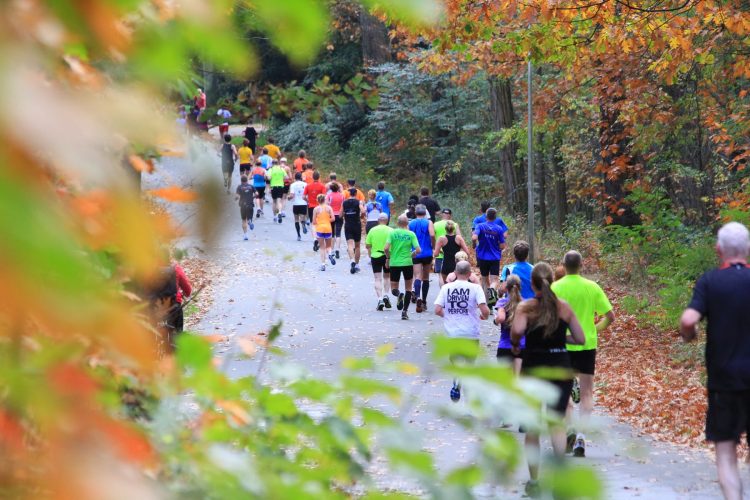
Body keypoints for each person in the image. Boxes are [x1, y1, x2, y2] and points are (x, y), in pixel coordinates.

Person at [680, 222, 750, 500]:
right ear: (747, 249)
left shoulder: (710, 281)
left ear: (718, 250)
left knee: (725, 451)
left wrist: (690, 335)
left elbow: (688, 320)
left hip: (724, 381)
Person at [511, 262, 585, 497]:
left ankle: (534, 481)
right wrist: (561, 340)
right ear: (552, 280)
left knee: (532, 426)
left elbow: (516, 333)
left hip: (534, 368)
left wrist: (516, 345)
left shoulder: (526, 307)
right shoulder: (564, 307)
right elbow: (580, 338)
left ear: (532, 284)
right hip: (561, 368)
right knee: (556, 422)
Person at [551, 250, 615, 458]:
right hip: (587, 345)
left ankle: (569, 430)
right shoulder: (592, 287)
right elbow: (610, 316)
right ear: (581, 265)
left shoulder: (555, 287)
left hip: (563, 346)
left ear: (563, 264)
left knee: (565, 393)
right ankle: (581, 436)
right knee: (587, 393)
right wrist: (593, 330)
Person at [435, 260, 490, 402]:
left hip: (452, 334)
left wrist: (448, 316)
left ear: (455, 272)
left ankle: (457, 380)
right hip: (471, 333)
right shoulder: (476, 288)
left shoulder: (446, 288)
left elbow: (437, 309)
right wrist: (484, 315)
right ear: (470, 274)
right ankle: (469, 399)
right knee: (470, 365)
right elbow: (485, 311)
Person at [384, 215, 421, 320]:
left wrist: (388, 258)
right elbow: (418, 250)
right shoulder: (411, 234)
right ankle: (404, 312)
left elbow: (386, 248)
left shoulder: (392, 233)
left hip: (394, 263)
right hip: (407, 263)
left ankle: (399, 294)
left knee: (394, 288)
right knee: (409, 288)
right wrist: (412, 254)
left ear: (397, 223)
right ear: (407, 224)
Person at [472, 207, 506, 307]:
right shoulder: (499, 229)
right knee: (494, 280)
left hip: (482, 256)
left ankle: (488, 305)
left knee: (484, 279)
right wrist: (499, 247)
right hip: (494, 257)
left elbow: (474, 237)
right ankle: (492, 292)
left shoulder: (480, 226)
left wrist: (474, 244)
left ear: (486, 216)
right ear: (495, 217)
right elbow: (502, 245)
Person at [494, 274, 524, 374]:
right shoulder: (526, 304)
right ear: (520, 287)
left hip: (505, 347)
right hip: (522, 347)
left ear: (506, 288)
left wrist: (495, 321)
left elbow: (501, 318)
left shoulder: (502, 302)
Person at [409, 205, 436, 313]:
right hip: (427, 252)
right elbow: (432, 235)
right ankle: (424, 301)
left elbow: (409, 236)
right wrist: (433, 246)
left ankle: (418, 296)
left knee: (417, 276)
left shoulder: (411, 223)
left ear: (416, 213)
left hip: (415, 252)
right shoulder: (429, 222)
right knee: (426, 277)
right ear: (425, 213)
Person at [366, 213, 393, 311]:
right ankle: (386, 294)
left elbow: (368, 244)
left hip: (376, 255)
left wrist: (369, 253)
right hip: (388, 256)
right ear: (387, 220)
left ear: (378, 220)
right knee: (387, 276)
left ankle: (380, 299)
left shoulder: (372, 230)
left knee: (377, 278)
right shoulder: (391, 230)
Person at [433, 220, 470, 285]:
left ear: (445, 229)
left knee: (446, 284)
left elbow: (436, 254)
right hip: (457, 265)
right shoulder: (459, 238)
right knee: (458, 284)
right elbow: (467, 252)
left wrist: (442, 252)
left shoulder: (441, 239)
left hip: (446, 265)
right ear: (454, 229)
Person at [434, 208, 462, 285]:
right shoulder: (454, 224)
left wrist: (434, 247)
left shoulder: (435, 224)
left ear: (442, 214)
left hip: (440, 254)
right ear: (450, 215)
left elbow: (432, 236)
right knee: (454, 275)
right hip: (454, 255)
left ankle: (443, 292)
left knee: (440, 275)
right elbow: (459, 237)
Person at [303, 171, 327, 251]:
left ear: (312, 177)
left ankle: (314, 239)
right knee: (320, 222)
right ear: (319, 177)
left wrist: (308, 200)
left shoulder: (308, 186)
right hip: (320, 207)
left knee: (313, 223)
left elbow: (303, 196)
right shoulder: (322, 186)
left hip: (311, 206)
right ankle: (319, 237)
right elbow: (324, 197)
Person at [312, 194, 336, 271]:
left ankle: (323, 264)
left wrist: (319, 222)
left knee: (322, 247)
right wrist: (326, 221)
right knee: (328, 246)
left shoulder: (316, 209)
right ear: (324, 200)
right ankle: (330, 254)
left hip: (320, 229)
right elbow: (333, 218)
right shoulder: (329, 208)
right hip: (328, 228)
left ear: (317, 200)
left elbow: (313, 221)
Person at [342, 188, 363, 274]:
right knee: (357, 246)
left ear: (349, 193)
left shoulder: (344, 202)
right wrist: (360, 216)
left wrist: (345, 215)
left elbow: (340, 214)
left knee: (350, 245)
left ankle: (352, 261)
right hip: (357, 224)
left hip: (348, 225)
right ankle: (357, 264)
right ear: (356, 194)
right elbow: (363, 210)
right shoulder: (359, 202)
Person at [326, 183, 345, 259]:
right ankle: (338, 249)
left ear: (331, 188)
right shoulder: (342, 196)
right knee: (338, 233)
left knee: (332, 233)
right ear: (338, 188)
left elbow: (327, 205)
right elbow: (343, 205)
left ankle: (332, 250)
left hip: (331, 215)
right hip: (339, 215)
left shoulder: (329, 195)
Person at [288, 172, 308, 241]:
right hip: (303, 203)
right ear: (301, 177)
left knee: (296, 219)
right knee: (303, 217)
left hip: (296, 203)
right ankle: (303, 224)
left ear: (295, 178)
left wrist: (289, 198)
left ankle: (299, 235)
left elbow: (292, 195)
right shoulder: (305, 184)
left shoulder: (293, 185)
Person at [235, 175, 255, 240]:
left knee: (244, 220)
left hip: (243, 205)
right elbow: (257, 193)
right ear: (247, 180)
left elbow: (237, 196)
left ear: (241, 180)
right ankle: (250, 221)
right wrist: (253, 197)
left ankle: (245, 235)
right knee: (249, 218)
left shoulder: (239, 187)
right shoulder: (251, 186)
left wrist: (235, 198)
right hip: (250, 204)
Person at [267, 160, 287, 224]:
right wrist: (281, 178)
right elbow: (286, 177)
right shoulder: (281, 169)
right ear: (278, 163)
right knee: (279, 201)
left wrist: (268, 177)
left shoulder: (271, 169)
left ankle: (275, 216)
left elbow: (269, 178)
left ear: (272, 164)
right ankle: (280, 212)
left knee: (274, 201)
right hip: (281, 186)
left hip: (273, 187)